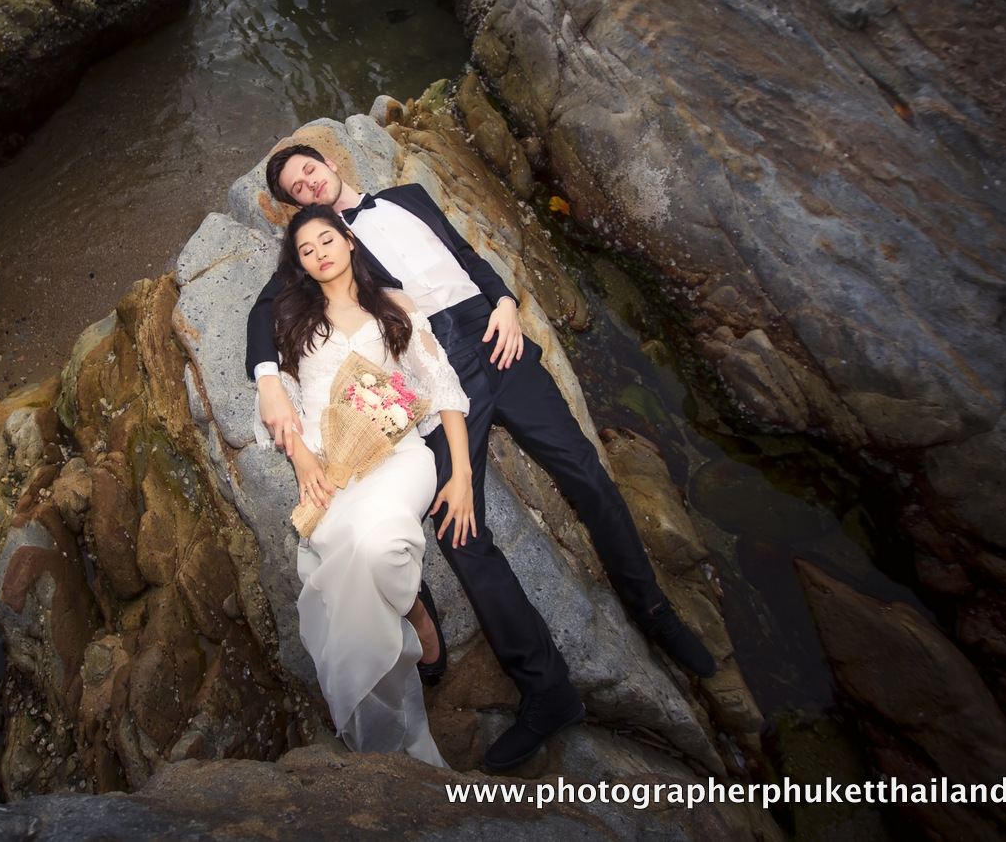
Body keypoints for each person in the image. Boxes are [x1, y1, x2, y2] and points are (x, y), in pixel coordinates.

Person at [247, 143, 716, 772]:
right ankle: (548, 690)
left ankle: (653, 611)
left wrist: (505, 301)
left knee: (582, 471)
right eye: (294, 192)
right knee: (462, 533)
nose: (307, 187)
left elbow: (466, 257)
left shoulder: (408, 196)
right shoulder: (325, 243)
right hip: (435, 360)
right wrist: (268, 377)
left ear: (330, 163)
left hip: (494, 336)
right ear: (293, 211)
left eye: (309, 172)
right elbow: (260, 310)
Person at [262, 205, 473, 768]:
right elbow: (283, 394)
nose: (320, 253)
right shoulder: (291, 319)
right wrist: (303, 457)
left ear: (349, 240)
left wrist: (463, 474)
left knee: (380, 547)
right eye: (306, 250)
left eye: (327, 239)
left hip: (400, 455)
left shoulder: (395, 306)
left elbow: (442, 387)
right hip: (331, 470)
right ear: (301, 266)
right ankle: (393, 708)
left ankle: (417, 616)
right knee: (352, 549)